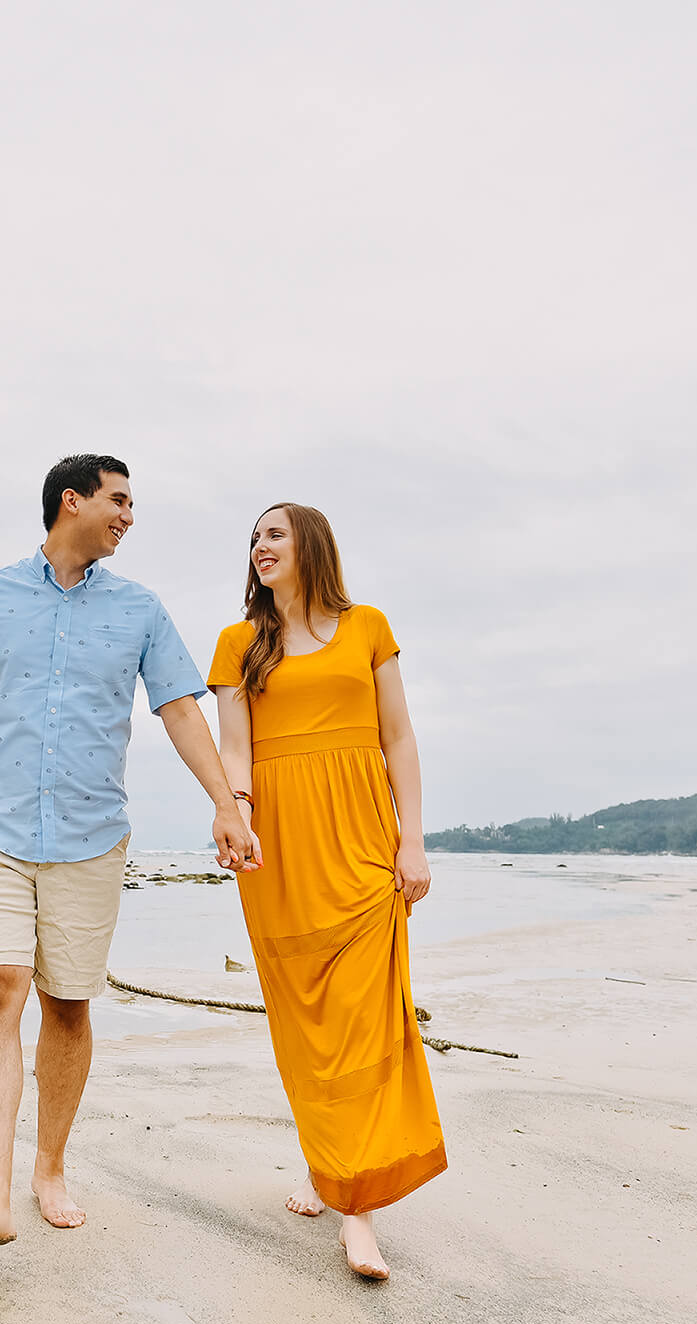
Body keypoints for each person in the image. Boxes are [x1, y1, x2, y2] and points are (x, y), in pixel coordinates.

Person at [0, 454, 259, 1253]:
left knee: (68, 1004)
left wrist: (223, 802)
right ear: (72, 501)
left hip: (92, 834)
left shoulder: (139, 609)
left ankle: (50, 1166)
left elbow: (177, 709)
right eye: (119, 500)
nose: (129, 516)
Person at [208, 502, 444, 1281]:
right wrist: (235, 818)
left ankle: (357, 1209)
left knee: (364, 1019)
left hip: (364, 841)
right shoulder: (238, 644)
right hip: (280, 850)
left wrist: (412, 839)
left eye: (273, 533)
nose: (259, 546)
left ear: (311, 544)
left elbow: (398, 736)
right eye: (253, 538)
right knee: (306, 1019)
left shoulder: (368, 626)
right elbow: (234, 748)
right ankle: (327, 1160)